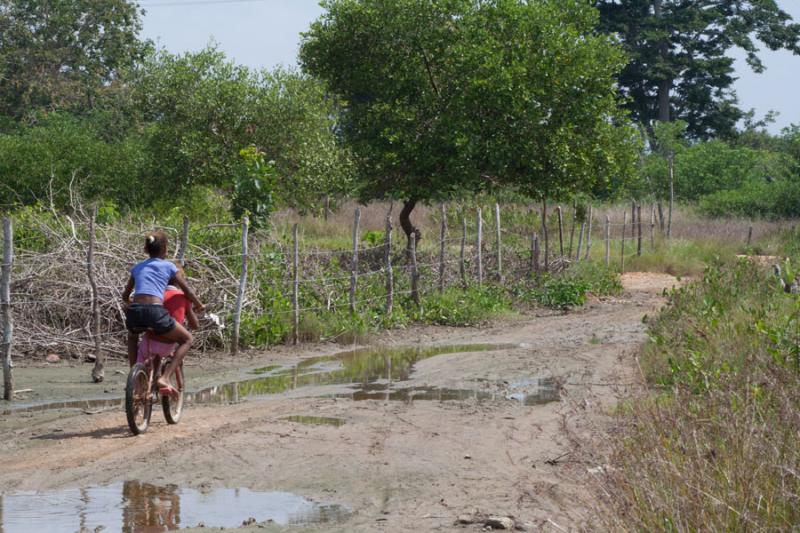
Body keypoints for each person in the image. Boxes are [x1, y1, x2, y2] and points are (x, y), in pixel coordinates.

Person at [122, 231, 204, 394]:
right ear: (165, 249)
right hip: (155, 312)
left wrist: (134, 305)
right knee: (187, 339)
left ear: (146, 249)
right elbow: (187, 290)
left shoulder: (137, 267)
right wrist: (199, 305)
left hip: (135, 311)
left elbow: (125, 296)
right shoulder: (169, 266)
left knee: (132, 336)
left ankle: (135, 375)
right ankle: (165, 377)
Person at [136, 264, 199, 365]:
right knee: (186, 340)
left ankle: (138, 373)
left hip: (149, 343)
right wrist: (192, 311)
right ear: (180, 281)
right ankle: (165, 376)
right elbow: (194, 325)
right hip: (168, 347)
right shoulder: (183, 297)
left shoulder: (154, 294)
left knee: (140, 357)